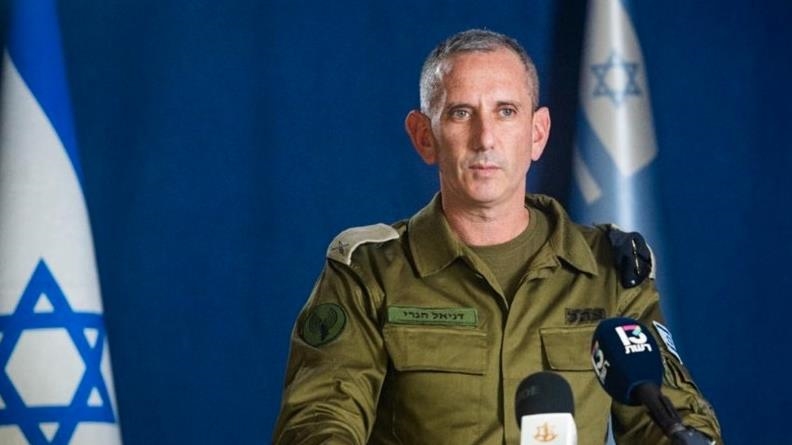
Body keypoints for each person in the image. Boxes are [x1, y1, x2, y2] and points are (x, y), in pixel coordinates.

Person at [273, 29, 722, 444]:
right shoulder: (370, 273)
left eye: (506, 112)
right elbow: (319, 423)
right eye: (460, 113)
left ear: (537, 133)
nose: (484, 138)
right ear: (424, 137)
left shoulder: (610, 271)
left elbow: (670, 421)